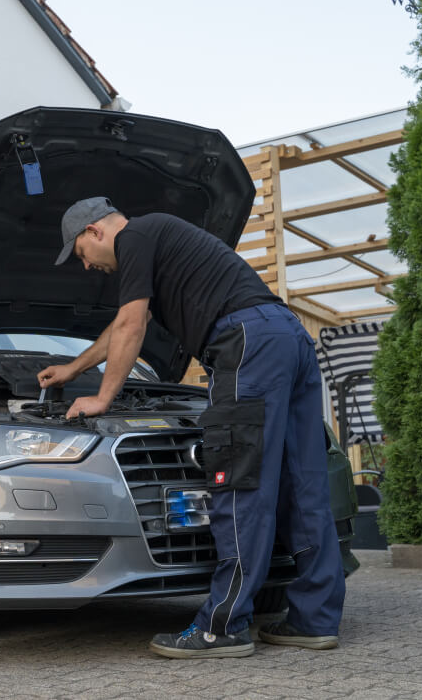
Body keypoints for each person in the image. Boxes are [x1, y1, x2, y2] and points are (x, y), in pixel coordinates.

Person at [38, 196, 346, 659]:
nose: (87, 267)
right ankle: (314, 620)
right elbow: (118, 326)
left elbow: (131, 321)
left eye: (81, 255)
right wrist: (72, 367)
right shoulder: (158, 236)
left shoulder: (135, 235)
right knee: (303, 484)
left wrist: (102, 397)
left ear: (95, 232)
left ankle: (222, 627)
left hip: (247, 343)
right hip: (286, 335)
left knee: (239, 483)